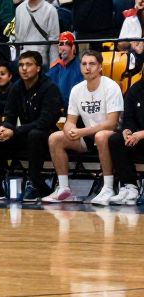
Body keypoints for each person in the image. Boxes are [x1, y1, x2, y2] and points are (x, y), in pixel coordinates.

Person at [0, 51, 63, 202]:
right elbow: (10, 116)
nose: (24, 68)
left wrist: (14, 130)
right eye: (21, 65)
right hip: (24, 134)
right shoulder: (17, 87)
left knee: (35, 135)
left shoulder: (50, 88)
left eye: (28, 64)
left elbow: (45, 122)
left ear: (38, 68)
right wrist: (5, 128)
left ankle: (35, 184)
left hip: (47, 136)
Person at [42, 50, 123, 204]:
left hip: (112, 137)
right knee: (55, 138)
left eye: (92, 64)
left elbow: (112, 123)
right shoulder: (77, 89)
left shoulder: (111, 87)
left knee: (101, 135)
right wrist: (69, 130)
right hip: (88, 137)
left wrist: (82, 131)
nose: (87, 67)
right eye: (84, 64)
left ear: (100, 67)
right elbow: (70, 120)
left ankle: (108, 188)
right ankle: (63, 188)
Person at [104, 78, 144, 205]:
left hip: (141, 135)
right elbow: (129, 118)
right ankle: (130, 186)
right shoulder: (135, 89)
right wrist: (127, 131)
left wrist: (142, 134)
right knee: (115, 140)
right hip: (137, 137)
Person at [49, 31, 82, 102]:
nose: (63, 48)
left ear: (73, 47)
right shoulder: (55, 67)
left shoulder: (80, 67)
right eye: (61, 44)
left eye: (67, 44)